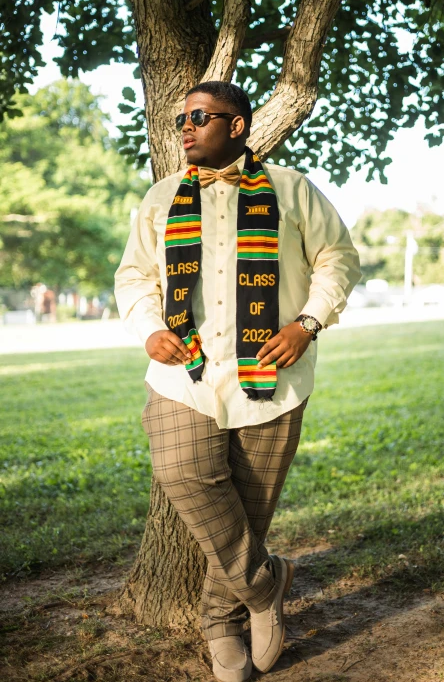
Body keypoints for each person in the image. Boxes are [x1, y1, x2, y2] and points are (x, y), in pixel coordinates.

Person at [114, 81, 361, 682]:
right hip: (184, 374)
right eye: (182, 119)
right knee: (181, 473)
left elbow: (339, 258)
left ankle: (220, 625)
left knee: (250, 513)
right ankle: (265, 584)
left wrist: (308, 323)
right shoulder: (161, 197)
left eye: (200, 117)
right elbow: (135, 275)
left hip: (274, 377)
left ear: (240, 125)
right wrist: (149, 329)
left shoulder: (293, 191)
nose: (186, 128)